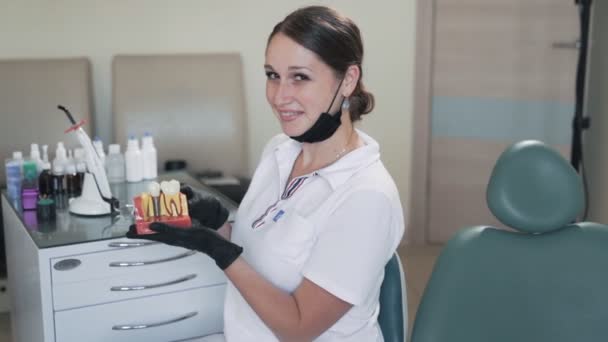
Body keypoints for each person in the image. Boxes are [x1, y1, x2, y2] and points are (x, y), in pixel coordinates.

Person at [127, 5, 405, 341]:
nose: (279, 96)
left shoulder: (366, 196)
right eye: (273, 75)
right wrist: (217, 223)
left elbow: (299, 327)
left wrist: (218, 251)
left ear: (348, 80)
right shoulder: (280, 151)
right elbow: (264, 255)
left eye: (299, 77)